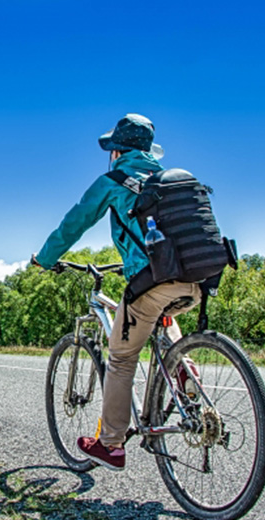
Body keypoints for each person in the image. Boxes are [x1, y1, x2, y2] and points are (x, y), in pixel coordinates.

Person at [32, 114, 201, 471]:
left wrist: (45, 259)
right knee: (160, 315)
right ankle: (184, 368)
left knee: (122, 357)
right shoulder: (167, 180)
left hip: (151, 281)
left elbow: (73, 223)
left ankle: (110, 444)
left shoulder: (113, 180)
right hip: (194, 280)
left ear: (117, 151)